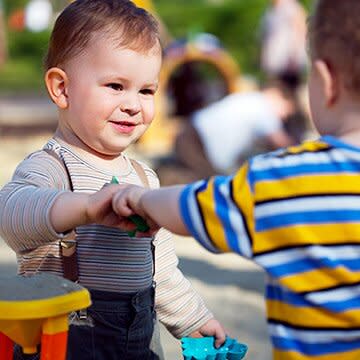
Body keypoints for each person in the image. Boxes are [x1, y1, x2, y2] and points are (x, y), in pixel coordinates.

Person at [112, 1, 360, 358]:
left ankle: (165, 172)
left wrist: (141, 199)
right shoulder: (263, 108)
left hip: (195, 140)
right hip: (197, 140)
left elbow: (194, 206)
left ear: (326, 81)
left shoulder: (282, 180)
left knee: (197, 178)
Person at [0, 1, 225, 359]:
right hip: (67, 339)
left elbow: (161, 269)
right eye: (116, 86)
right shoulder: (52, 168)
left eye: (146, 91)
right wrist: (86, 207)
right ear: (62, 89)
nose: (134, 104)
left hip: (138, 337)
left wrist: (192, 318)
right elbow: (11, 216)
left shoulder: (143, 178)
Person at [174, 82, 298, 180]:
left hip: (193, 134)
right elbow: (281, 142)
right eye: (285, 113)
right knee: (204, 189)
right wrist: (302, 151)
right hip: (197, 143)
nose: (283, 118)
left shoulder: (251, 99)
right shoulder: (264, 106)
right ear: (277, 95)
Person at [260, 0, 307, 90]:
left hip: (288, 60)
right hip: (276, 61)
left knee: (289, 89)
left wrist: (295, 52)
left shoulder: (290, 6)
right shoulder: (271, 9)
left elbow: (301, 27)